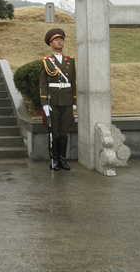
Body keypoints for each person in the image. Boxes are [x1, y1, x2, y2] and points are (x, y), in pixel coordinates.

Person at [39, 28, 77, 171]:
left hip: (67, 100)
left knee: (64, 130)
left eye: (61, 39)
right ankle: (54, 159)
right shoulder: (46, 61)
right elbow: (43, 83)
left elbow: (73, 82)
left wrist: (73, 101)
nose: (59, 41)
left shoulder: (70, 61)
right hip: (53, 100)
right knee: (54, 130)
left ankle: (62, 159)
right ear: (51, 43)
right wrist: (44, 103)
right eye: (56, 40)